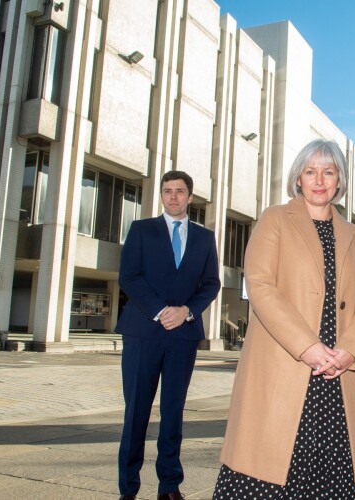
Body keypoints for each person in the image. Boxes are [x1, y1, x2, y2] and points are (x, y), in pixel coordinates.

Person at [213, 139, 355, 498]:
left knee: (331, 478)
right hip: (284, 365)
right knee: (268, 467)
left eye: (328, 172)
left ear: (339, 181)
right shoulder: (275, 219)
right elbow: (260, 285)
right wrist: (307, 346)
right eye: (311, 171)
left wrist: (350, 351)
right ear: (299, 179)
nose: (319, 180)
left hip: (336, 375)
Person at [116, 170, 221, 500]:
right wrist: (162, 311)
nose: (173, 196)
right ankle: (128, 487)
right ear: (161, 196)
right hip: (143, 333)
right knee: (136, 411)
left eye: (179, 191)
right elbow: (129, 277)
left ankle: (169, 485)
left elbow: (211, 284)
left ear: (190, 197)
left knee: (173, 410)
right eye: (167, 191)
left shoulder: (205, 238)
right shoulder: (142, 230)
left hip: (183, 336)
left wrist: (187, 311)